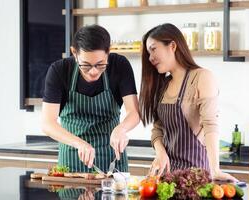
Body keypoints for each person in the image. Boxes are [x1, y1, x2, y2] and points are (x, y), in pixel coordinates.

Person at [139, 23, 237, 181]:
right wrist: (160, 153)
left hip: (196, 177)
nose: (150, 58)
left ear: (172, 46)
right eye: (148, 52)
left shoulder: (202, 77)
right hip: (167, 178)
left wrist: (215, 170)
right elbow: (157, 129)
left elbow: (210, 124)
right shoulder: (162, 85)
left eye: (153, 49)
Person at [42, 24, 140, 173]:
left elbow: (134, 112)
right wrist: (79, 143)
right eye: (86, 65)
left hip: (112, 157)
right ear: (74, 52)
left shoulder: (120, 66)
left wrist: (121, 129)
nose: (93, 72)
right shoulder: (59, 71)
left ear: (108, 52)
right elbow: (47, 123)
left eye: (100, 65)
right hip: (72, 158)